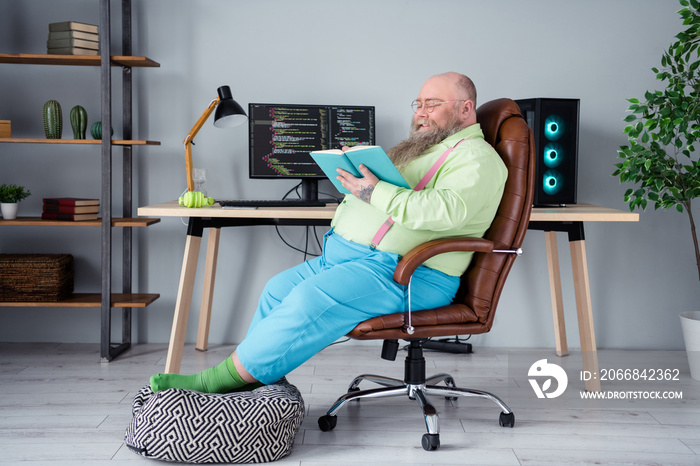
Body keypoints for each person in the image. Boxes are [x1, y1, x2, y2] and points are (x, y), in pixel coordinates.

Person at [149, 72, 508, 394]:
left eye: (433, 104)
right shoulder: (426, 149)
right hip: (352, 260)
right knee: (277, 291)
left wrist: (374, 191)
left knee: (308, 300)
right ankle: (258, 385)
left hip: (408, 274)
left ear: (465, 108)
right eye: (418, 103)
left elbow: (443, 211)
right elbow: (398, 196)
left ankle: (217, 382)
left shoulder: (476, 158)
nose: (421, 112)